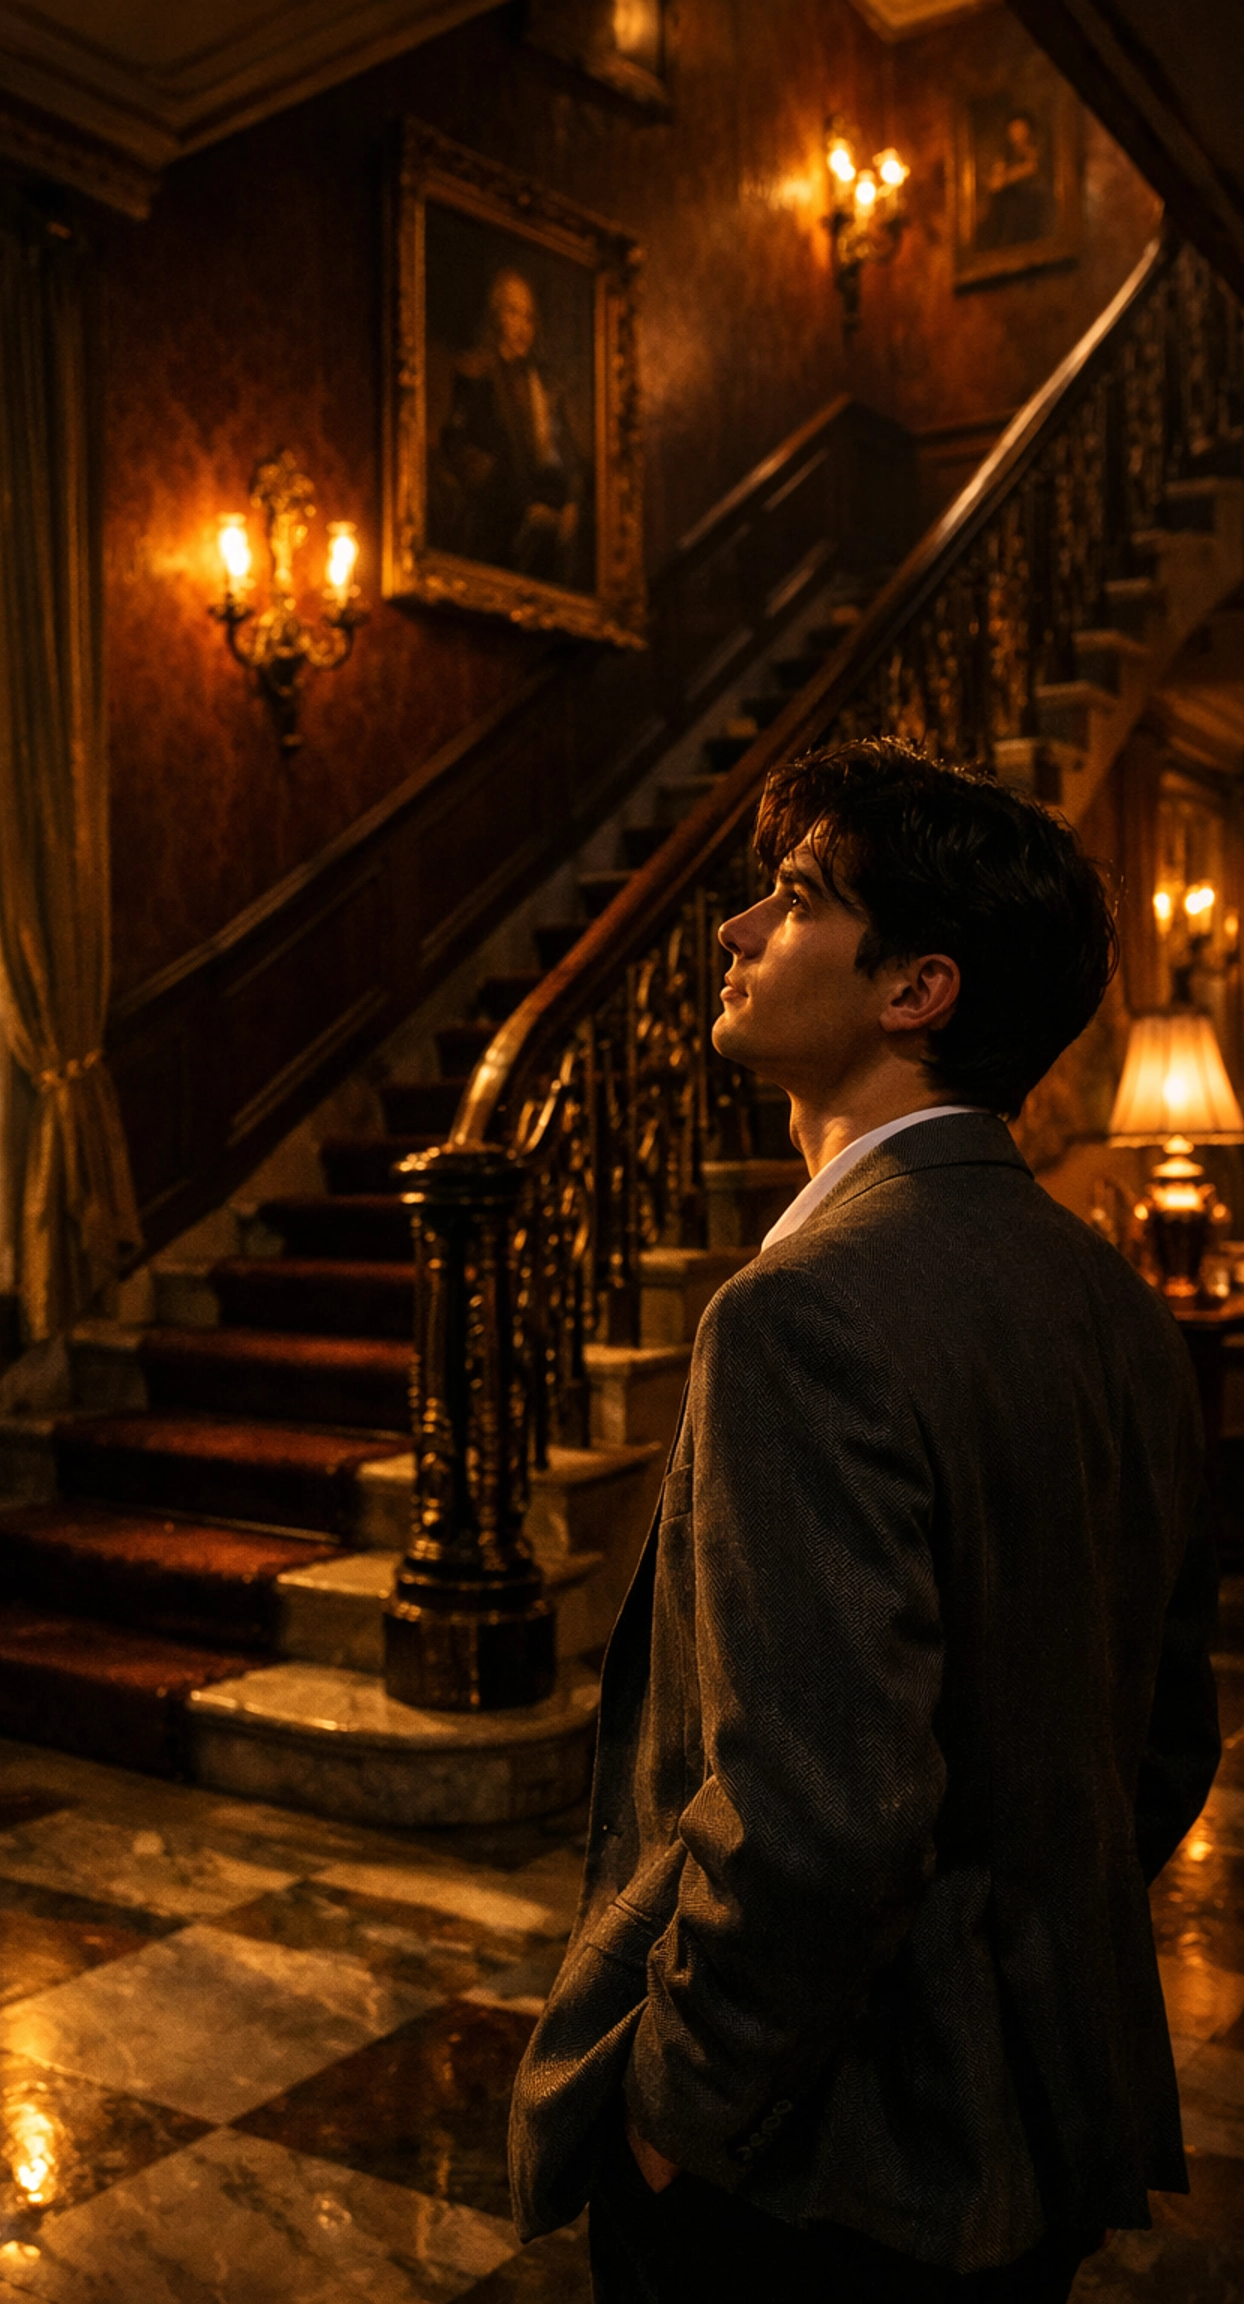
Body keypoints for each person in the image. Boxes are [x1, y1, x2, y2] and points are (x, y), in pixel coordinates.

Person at [508, 738, 1220, 2302]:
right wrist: (1008, 1960)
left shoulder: (803, 1310)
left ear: (916, 990)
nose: (737, 929)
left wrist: (678, 2116)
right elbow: (1164, 1741)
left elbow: (817, 1820)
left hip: (821, 2172)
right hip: (1039, 2126)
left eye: (796, 897)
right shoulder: (1117, 1302)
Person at [430, 265, 589, 586]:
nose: (522, 327)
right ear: (495, 316)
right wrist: (523, 508)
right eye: (513, 313)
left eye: (529, 317)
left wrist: (570, 504)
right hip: (497, 526)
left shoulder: (543, 385)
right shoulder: (476, 374)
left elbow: (566, 456)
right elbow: (458, 449)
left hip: (549, 521)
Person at [976, 111, 1051, 249]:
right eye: (1014, 129)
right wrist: (1002, 178)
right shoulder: (1005, 155)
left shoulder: (1034, 151)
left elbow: (1031, 169)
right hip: (1011, 199)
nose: (1017, 133)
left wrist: (1008, 178)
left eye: (1021, 128)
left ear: (1028, 130)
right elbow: (996, 182)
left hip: (1031, 197)